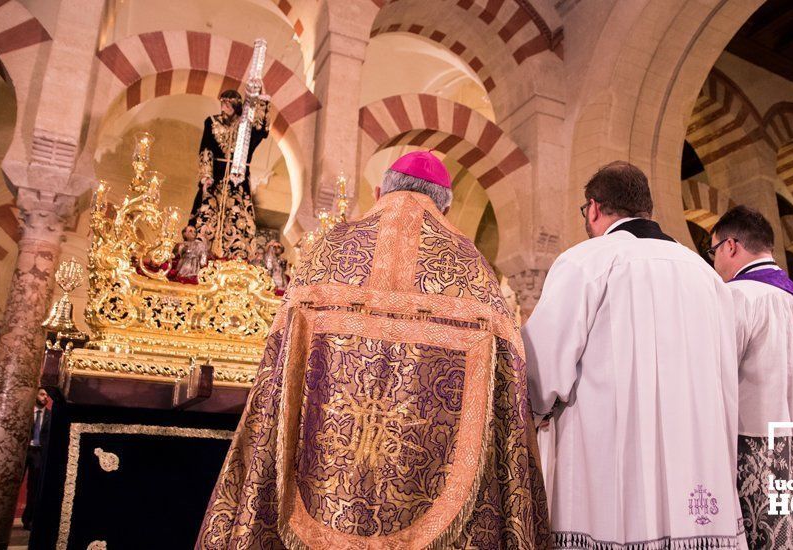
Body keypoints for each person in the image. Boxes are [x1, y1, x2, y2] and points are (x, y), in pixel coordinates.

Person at [197, 150, 549, 548]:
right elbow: (507, 387)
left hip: (321, 476)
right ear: (446, 205)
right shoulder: (472, 270)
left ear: (381, 190)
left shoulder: (328, 254)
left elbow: (277, 368)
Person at [523, 161, 745, 549]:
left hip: (609, 462)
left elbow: (542, 367)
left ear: (593, 208)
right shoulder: (706, 274)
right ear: (648, 210)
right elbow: (727, 373)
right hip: (698, 453)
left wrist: (535, 412)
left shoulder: (586, 261)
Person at [709, 205, 793, 549]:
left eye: (713, 252)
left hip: (757, 454)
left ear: (730, 246)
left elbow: (715, 378)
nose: (714, 263)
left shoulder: (737, 296)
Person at [188, 89, 270, 261]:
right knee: (207, 213)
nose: (224, 107)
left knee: (238, 217)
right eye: (222, 102)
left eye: (228, 103)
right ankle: (201, 255)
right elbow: (206, 149)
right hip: (215, 177)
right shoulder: (211, 122)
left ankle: (237, 257)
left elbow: (262, 129)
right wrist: (206, 175)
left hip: (238, 181)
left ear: (236, 105)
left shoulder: (245, 127)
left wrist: (261, 99)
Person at [22, 388, 51, 530]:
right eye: (42, 394)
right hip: (22, 451)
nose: (45, 397)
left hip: (38, 453)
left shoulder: (50, 416)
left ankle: (28, 520)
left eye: (46, 395)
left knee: (33, 488)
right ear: (35, 395)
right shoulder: (25, 412)